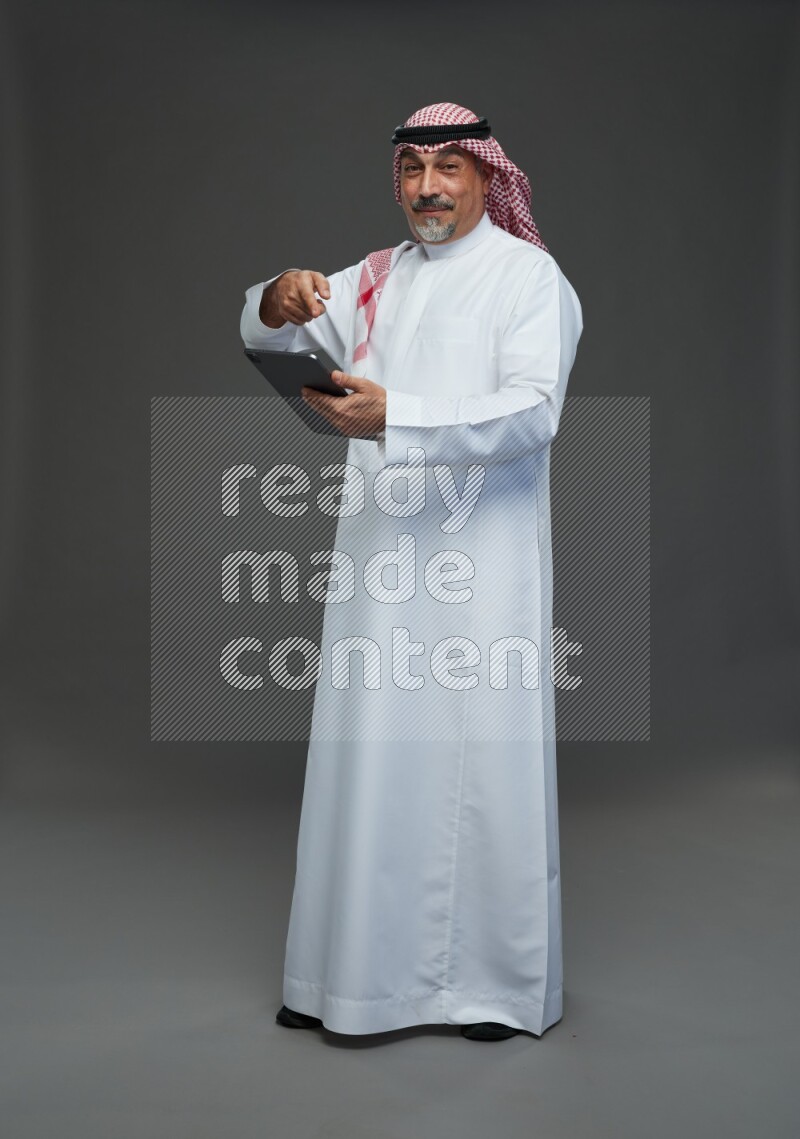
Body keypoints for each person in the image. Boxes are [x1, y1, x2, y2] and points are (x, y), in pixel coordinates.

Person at [239, 102, 583, 1042]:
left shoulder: (529, 277)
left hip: (483, 568)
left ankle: (486, 986)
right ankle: (341, 978)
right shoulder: (379, 275)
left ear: (486, 176)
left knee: (477, 767)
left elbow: (532, 412)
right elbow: (279, 338)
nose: (428, 187)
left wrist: (397, 415)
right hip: (379, 560)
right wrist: (277, 297)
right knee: (366, 755)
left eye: (447, 167)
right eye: (411, 169)